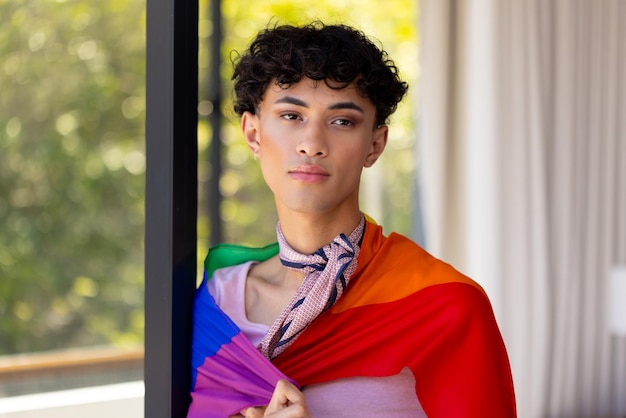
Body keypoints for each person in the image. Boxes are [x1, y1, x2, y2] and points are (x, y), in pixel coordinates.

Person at [189, 21, 517, 417]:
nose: (312, 144)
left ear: (375, 144)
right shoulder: (213, 304)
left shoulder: (444, 306)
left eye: (342, 121)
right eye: (292, 116)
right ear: (254, 134)